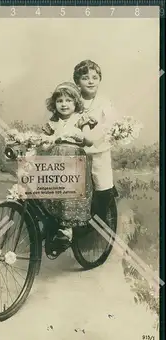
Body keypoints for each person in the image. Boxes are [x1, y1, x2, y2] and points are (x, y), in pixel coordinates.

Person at [40, 81, 96, 248]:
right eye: (60, 101)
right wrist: (46, 141)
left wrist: (78, 134)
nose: (64, 104)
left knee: (68, 195)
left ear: (76, 103)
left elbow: (89, 140)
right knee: (45, 188)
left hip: (73, 161)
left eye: (68, 100)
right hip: (55, 162)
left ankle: (67, 231)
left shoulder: (80, 119)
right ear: (54, 104)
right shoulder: (52, 123)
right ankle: (50, 223)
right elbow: (44, 145)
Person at [73, 59, 118, 222]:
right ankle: (71, 222)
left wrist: (96, 133)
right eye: (85, 78)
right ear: (77, 81)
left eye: (94, 77)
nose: (90, 81)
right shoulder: (73, 101)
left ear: (99, 79)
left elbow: (110, 123)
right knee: (73, 187)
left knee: (102, 186)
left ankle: (98, 218)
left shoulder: (104, 102)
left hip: (99, 149)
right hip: (78, 150)